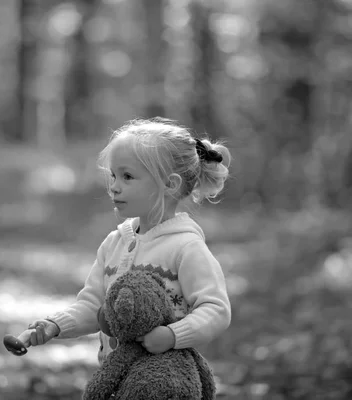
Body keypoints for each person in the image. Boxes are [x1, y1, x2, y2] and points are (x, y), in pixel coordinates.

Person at [18, 117, 232, 364]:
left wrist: (173, 335)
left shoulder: (186, 248)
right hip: (116, 376)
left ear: (170, 184)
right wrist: (55, 325)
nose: (114, 187)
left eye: (127, 177)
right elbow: (94, 307)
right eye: (113, 176)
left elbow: (216, 310)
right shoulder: (114, 244)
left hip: (165, 380)